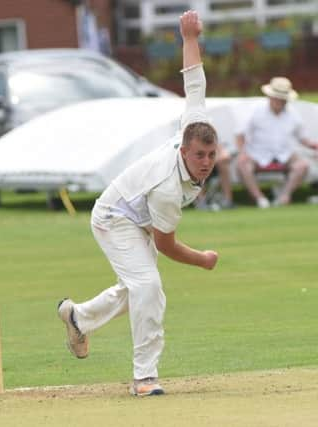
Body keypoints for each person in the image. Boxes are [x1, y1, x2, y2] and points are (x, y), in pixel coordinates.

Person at [57, 10, 219, 397]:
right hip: (115, 217)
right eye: (199, 155)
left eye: (211, 154)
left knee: (136, 287)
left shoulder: (196, 125)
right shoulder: (168, 186)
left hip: (138, 211)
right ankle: (144, 377)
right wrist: (202, 259)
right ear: (184, 149)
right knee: (148, 286)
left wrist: (189, 36)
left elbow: (194, 83)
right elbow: (167, 244)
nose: (206, 161)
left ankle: (79, 317)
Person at [236, 76, 318, 208]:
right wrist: (242, 152)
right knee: (242, 164)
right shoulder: (256, 111)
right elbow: (240, 134)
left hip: (284, 154)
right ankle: (260, 199)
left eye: (282, 99)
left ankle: (284, 196)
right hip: (257, 154)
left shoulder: (293, 115)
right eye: (277, 97)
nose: (279, 101)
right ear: (270, 96)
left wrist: (313, 145)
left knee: (302, 165)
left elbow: (303, 138)